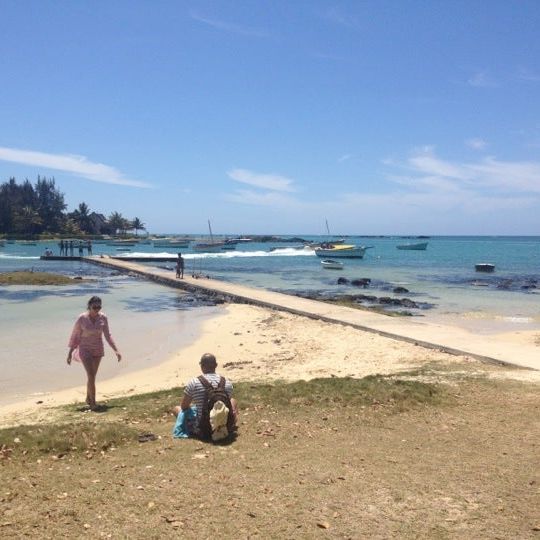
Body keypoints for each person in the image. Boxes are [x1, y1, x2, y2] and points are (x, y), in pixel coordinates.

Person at [67, 296, 121, 410]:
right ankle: (93, 403)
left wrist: (116, 350)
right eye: (95, 306)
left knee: (92, 376)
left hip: (98, 349)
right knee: (91, 375)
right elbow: (75, 335)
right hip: (84, 348)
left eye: (99, 306)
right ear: (89, 306)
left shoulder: (103, 318)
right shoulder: (82, 318)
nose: (97, 309)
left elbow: (107, 335)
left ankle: (88, 398)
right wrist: (70, 353)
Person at [172, 353, 237, 439]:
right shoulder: (227, 382)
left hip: (204, 430)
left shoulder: (194, 382)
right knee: (233, 400)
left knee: (177, 409)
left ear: (202, 366)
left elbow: (184, 407)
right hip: (225, 428)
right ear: (216, 365)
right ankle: (230, 423)